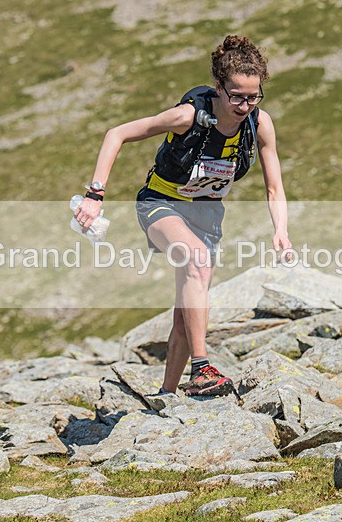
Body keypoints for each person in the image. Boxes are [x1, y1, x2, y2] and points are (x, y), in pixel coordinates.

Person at [75, 35, 292, 397]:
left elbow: (274, 187)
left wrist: (281, 230)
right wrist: (95, 194)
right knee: (197, 259)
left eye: (253, 97)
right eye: (236, 96)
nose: (244, 106)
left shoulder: (259, 124)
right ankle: (202, 367)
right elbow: (116, 134)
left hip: (207, 215)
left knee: (185, 316)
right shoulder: (187, 116)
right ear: (219, 88)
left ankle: (167, 398)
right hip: (160, 204)